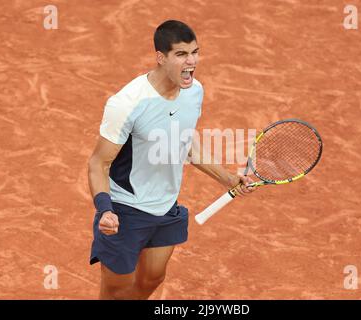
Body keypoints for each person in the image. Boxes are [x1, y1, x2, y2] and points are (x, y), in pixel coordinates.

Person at [88, 20, 255, 300]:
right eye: (181, 54)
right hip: (125, 208)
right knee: (116, 292)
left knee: (152, 279)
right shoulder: (128, 103)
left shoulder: (194, 92)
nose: (191, 61)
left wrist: (228, 178)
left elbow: (185, 145)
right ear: (160, 57)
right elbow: (98, 163)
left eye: (195, 52)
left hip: (166, 206)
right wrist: (105, 209)